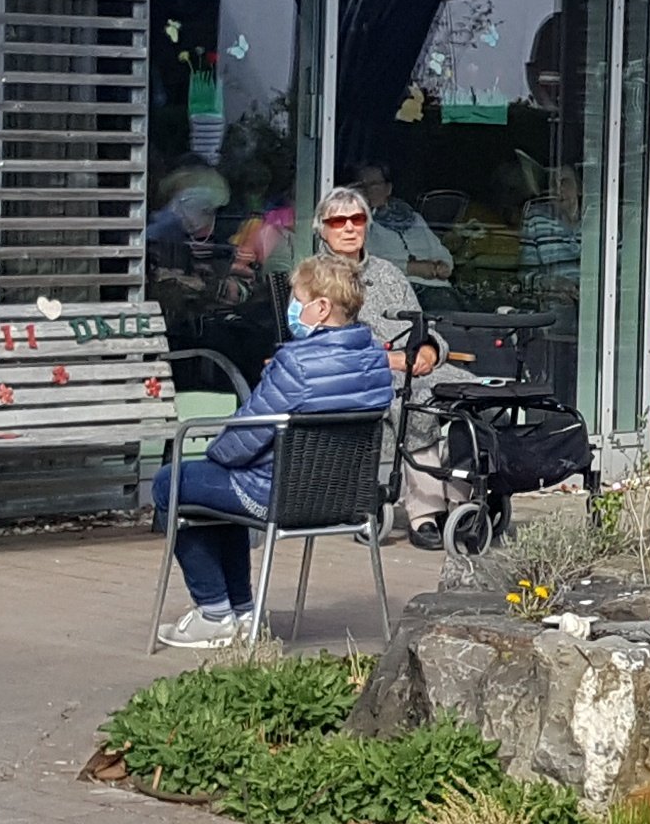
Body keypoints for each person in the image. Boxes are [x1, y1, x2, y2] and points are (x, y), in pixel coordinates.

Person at [157, 254, 394, 648]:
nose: (291, 309)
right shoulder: (375, 361)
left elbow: (245, 435)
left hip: (277, 495)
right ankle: (243, 611)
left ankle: (215, 612)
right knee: (218, 486)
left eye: (297, 299)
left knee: (172, 482)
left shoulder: (296, 363)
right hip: (343, 500)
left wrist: (216, 454)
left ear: (321, 308)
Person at [318, 184, 461, 544]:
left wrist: (430, 349)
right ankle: (425, 513)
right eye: (339, 221)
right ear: (322, 228)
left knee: (470, 396)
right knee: (415, 401)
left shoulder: (387, 272)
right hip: (361, 374)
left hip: (415, 365)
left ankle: (463, 501)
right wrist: (389, 359)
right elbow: (319, 345)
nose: (349, 228)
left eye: (357, 219)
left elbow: (421, 324)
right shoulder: (313, 278)